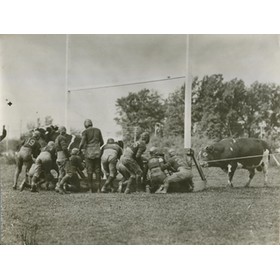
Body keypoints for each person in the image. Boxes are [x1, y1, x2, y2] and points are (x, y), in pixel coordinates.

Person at [78, 119, 104, 193]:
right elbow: (102, 142)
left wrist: (80, 149)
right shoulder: (98, 130)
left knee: (89, 171)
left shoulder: (85, 132)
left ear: (85, 125)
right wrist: (96, 146)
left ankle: (90, 189)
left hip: (88, 152)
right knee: (98, 170)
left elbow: (82, 143)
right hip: (97, 152)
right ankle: (99, 189)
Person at [54, 126, 70, 191]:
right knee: (66, 173)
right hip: (63, 156)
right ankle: (61, 187)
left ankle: (58, 186)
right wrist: (68, 155)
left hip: (58, 156)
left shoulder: (56, 138)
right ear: (64, 131)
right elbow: (64, 148)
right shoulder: (62, 138)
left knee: (61, 173)